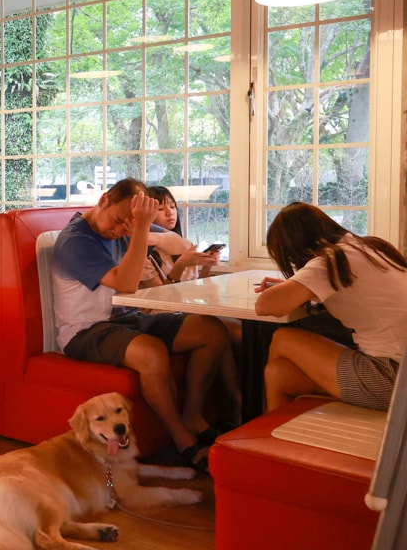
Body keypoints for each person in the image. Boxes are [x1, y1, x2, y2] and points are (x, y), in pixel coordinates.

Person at [52, 177, 234, 470]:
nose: (118, 229)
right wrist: (139, 230)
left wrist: (145, 231)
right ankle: (182, 437)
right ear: (103, 200)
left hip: (128, 320)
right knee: (151, 352)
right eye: (116, 220)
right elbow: (126, 283)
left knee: (211, 330)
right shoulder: (76, 240)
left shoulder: (128, 226)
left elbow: (181, 243)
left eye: (128, 222)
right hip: (85, 330)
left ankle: (192, 415)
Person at [255, 202, 407, 412]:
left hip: (392, 378)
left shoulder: (330, 260)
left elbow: (265, 306)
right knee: (277, 373)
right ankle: (267, 437)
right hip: (396, 373)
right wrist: (299, 285)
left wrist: (297, 284)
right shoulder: (368, 247)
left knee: (283, 338)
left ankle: (260, 428)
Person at [140, 185, 242, 424]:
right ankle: (237, 403)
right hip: (158, 314)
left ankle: (236, 404)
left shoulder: (181, 244)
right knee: (229, 330)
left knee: (236, 329)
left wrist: (207, 264)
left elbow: (197, 287)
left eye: (173, 207)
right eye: (161, 208)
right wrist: (181, 265)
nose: (169, 213)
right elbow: (161, 297)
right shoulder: (143, 253)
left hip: (186, 310)